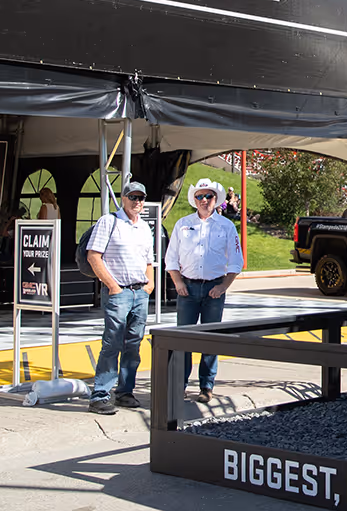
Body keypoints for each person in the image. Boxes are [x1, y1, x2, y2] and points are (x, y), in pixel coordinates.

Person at [165, 177, 244, 403]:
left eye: (208, 196)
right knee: (184, 340)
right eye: (200, 196)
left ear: (216, 199)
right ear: (195, 200)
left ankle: (206, 386)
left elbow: (236, 261)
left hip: (213, 289)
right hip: (187, 289)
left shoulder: (226, 226)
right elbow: (170, 259)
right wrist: (178, 283)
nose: (204, 200)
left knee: (211, 340)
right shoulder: (182, 224)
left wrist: (223, 286)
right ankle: (179, 385)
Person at [84, 180, 155, 415]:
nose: (137, 202)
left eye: (141, 198)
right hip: (119, 291)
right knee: (112, 343)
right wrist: (112, 286)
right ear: (123, 198)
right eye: (133, 197)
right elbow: (94, 256)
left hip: (140, 292)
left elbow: (148, 260)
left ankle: (125, 392)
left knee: (134, 344)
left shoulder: (144, 227)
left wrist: (150, 284)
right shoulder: (109, 221)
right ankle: (100, 395)